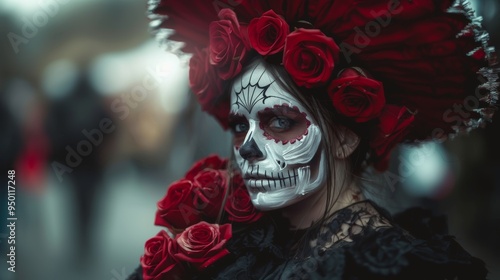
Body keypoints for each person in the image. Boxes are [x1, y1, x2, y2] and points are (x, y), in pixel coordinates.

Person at [128, 0, 498, 279]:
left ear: (345, 138)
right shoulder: (244, 241)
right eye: (241, 126)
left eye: (280, 122)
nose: (247, 149)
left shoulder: (396, 266)